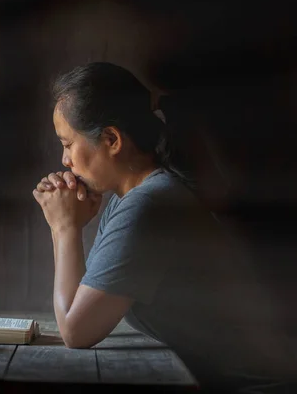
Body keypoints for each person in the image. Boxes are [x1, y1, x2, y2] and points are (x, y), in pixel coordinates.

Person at [32, 62, 296, 393]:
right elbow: (80, 311)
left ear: (112, 139)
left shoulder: (148, 206)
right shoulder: (131, 199)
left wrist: (64, 227)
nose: (64, 160)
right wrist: (69, 222)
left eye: (68, 143)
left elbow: (75, 330)